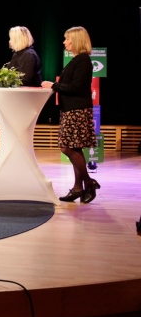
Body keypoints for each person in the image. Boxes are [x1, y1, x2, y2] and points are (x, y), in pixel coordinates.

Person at [42, 26, 99, 203]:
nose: (64, 42)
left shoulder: (83, 61)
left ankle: (88, 183)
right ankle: (77, 188)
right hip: (70, 110)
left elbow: (77, 87)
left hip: (77, 111)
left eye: (68, 39)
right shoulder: (76, 60)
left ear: (77, 40)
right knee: (74, 148)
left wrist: (53, 85)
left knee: (67, 148)